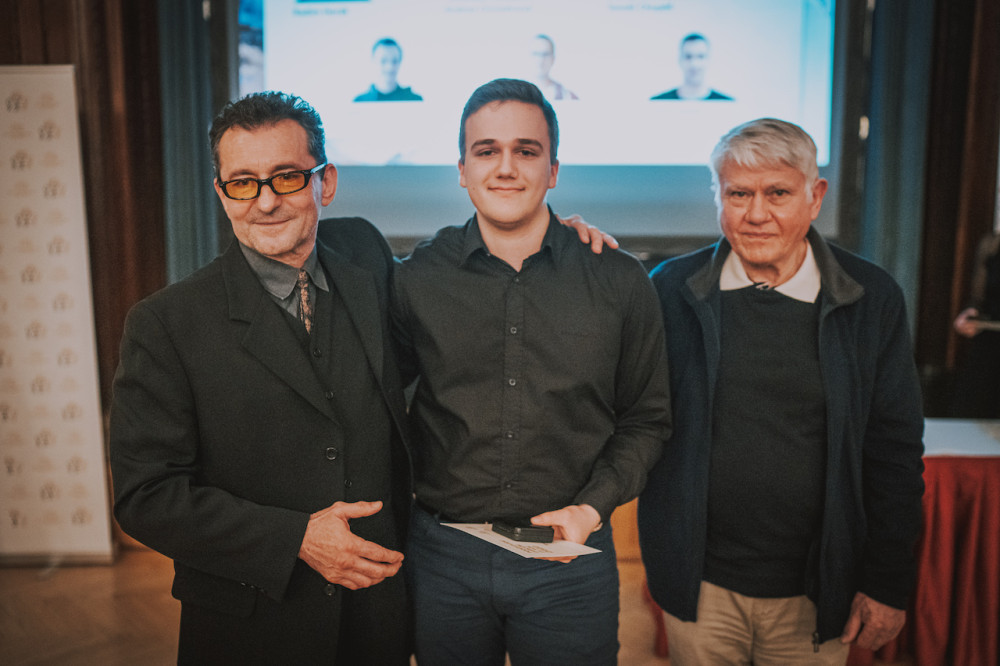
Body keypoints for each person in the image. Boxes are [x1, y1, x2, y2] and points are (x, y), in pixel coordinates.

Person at [109, 92, 415, 663]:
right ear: (221, 193)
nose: (266, 202)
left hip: (376, 614)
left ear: (325, 183)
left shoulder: (365, 255)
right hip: (250, 625)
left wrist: (554, 230)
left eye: (287, 177)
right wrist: (296, 538)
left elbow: (446, 288)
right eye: (243, 183)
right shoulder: (164, 324)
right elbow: (145, 498)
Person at [391, 78, 672, 665]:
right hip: (444, 561)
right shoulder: (415, 279)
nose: (505, 168)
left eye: (526, 150)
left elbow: (646, 420)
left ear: (554, 170)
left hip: (569, 559)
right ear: (462, 170)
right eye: (486, 151)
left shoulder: (619, 281)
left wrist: (591, 508)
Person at [638, 118, 925, 664]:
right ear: (717, 197)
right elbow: (634, 414)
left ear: (815, 197)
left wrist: (887, 582)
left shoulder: (871, 298)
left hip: (819, 589)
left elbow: (894, 451)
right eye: (738, 194)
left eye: (777, 193)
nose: (756, 213)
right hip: (700, 586)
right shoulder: (671, 290)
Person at [949, 228, 1000, 417]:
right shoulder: (992, 244)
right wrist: (971, 314)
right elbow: (978, 298)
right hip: (991, 344)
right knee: (973, 411)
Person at [651, 33, 733, 101]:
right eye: (688, 57)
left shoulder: (727, 104)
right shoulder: (658, 103)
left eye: (700, 56)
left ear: (709, 60)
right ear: (680, 60)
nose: (694, 64)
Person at [353, 37, 423, 102]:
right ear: (373, 61)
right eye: (383, 61)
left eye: (394, 61)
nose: (390, 67)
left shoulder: (414, 100)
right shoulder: (359, 102)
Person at [529, 34, 579, 101]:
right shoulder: (517, 95)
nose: (541, 60)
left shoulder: (568, 97)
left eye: (545, 54)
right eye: (536, 54)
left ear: (553, 58)